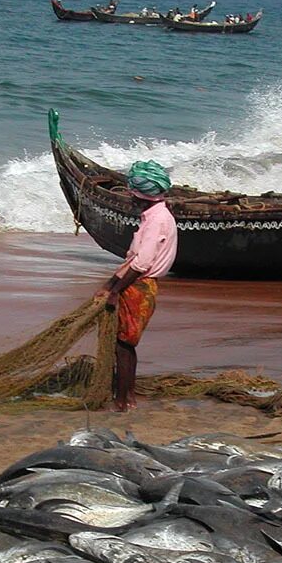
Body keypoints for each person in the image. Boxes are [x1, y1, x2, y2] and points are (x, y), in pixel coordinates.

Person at [94, 161, 177, 412]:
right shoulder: (153, 216)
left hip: (139, 287)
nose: (129, 196)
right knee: (124, 345)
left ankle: (124, 400)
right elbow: (132, 259)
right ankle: (125, 395)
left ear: (141, 194)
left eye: (132, 191)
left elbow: (141, 264)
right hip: (135, 284)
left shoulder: (157, 220)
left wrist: (116, 291)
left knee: (124, 345)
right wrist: (109, 285)